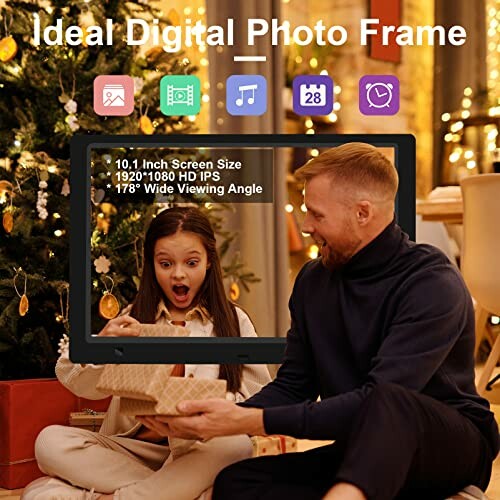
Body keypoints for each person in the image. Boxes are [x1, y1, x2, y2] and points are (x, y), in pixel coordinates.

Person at [142, 144, 499, 500]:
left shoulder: (430, 282)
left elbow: (378, 402)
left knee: (389, 401)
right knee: (240, 483)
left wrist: (245, 422)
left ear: (362, 212)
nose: (307, 226)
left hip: (447, 446)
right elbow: (294, 385)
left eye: (316, 214)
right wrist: (218, 417)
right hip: (363, 450)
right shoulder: (313, 281)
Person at [22, 207, 271, 500]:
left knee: (235, 446)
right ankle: (181, 491)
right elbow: (74, 379)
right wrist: (103, 346)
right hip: (129, 450)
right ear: (152, 265)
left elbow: (259, 400)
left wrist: (210, 411)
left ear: (209, 263)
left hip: (198, 448)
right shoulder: (134, 318)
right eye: (165, 263)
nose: (178, 274)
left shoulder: (233, 320)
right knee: (50, 442)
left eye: (191, 262)